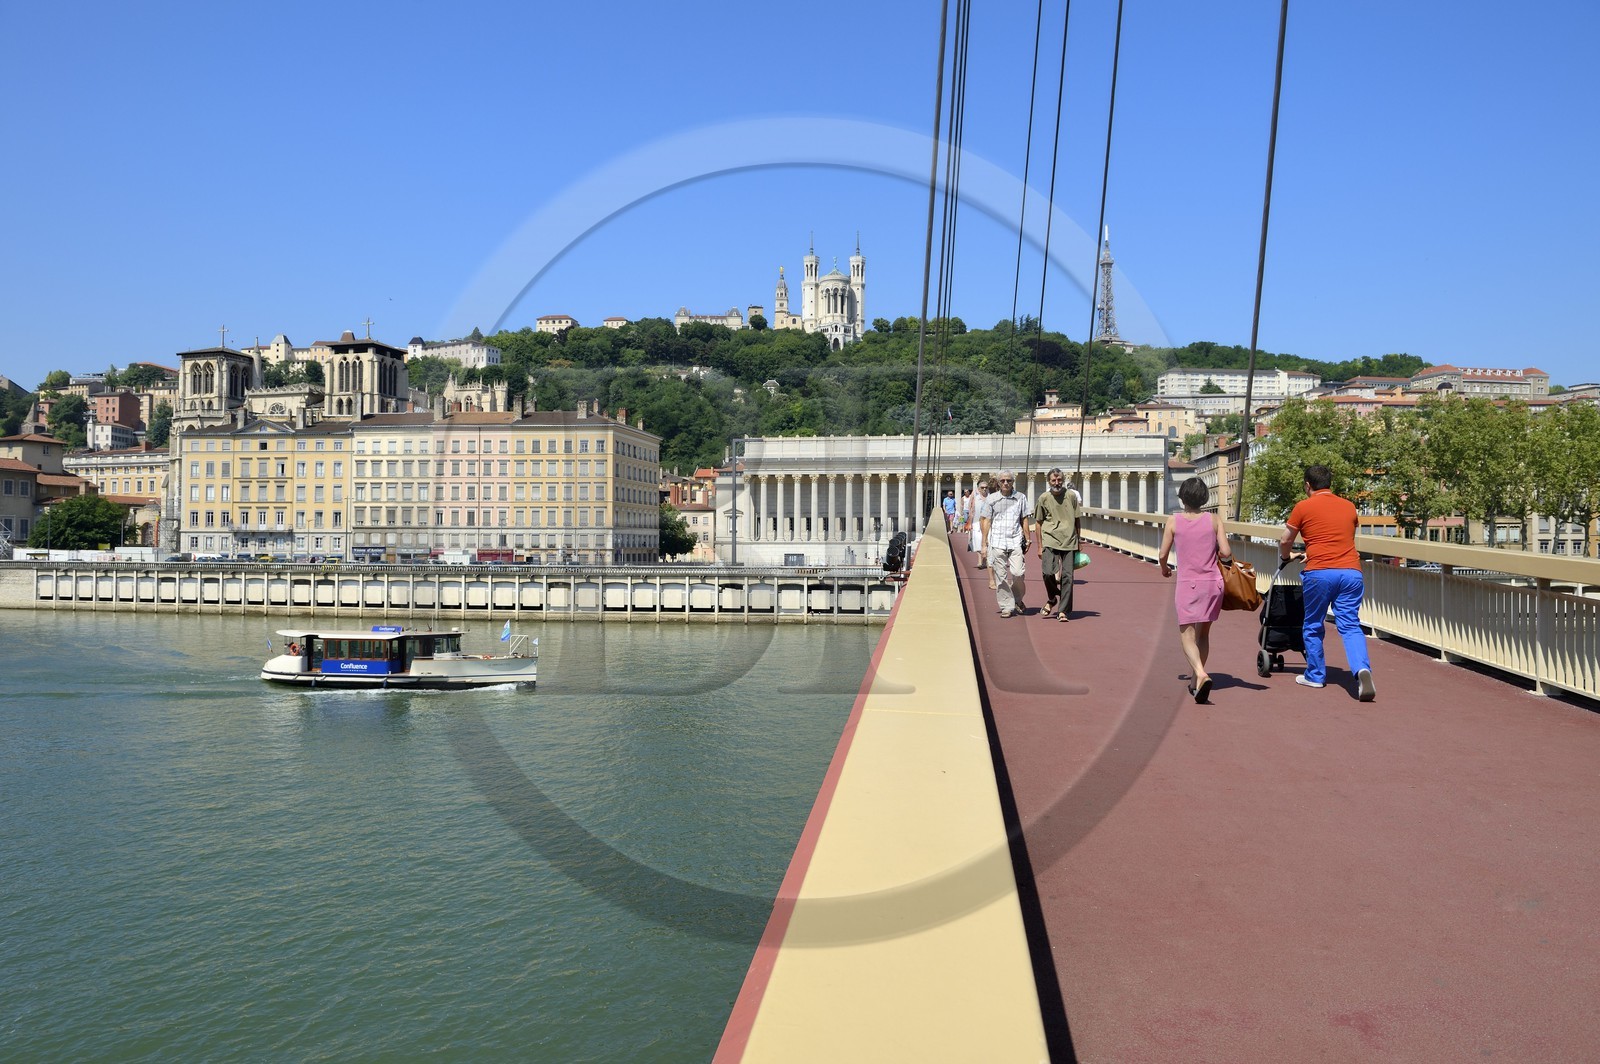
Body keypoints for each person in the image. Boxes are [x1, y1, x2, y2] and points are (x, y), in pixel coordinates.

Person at [1279, 464, 1375, 701]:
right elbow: (1342, 537)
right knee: (1350, 626)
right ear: (1330, 483)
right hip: (1351, 572)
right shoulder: (1349, 506)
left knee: (1312, 624)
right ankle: (1362, 670)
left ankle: (1315, 675)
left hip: (1320, 572)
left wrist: (1286, 556)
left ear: (1307, 485)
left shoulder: (1303, 506)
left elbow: (1285, 540)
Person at [1158, 476, 1233, 703]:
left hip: (1188, 583)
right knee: (1204, 633)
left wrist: (1164, 569)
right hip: (1213, 583)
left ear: (1183, 497)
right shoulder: (1214, 520)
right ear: (1203, 498)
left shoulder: (1174, 521)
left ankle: (1200, 673)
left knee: (1187, 634)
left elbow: (1162, 554)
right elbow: (1226, 552)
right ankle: (1194, 682)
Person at [980, 470, 1032, 617]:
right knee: (1001, 577)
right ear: (998, 482)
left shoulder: (1020, 498)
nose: (1005, 483)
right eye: (1002, 481)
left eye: (1008, 480)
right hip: (997, 541)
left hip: (1015, 540)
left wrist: (1028, 538)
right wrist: (984, 544)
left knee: (1018, 573)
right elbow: (986, 521)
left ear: (1013, 482)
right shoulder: (992, 499)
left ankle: (1017, 599)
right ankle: (1006, 606)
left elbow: (1024, 518)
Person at [1034, 467, 1082, 622]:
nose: (1057, 482)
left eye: (1059, 480)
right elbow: (1039, 523)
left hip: (1069, 540)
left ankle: (1063, 611)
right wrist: (1039, 546)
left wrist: (1079, 540)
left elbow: (1077, 519)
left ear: (1063, 480)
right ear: (1049, 481)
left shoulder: (1071, 496)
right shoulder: (1043, 498)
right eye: (1053, 480)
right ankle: (1053, 598)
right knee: (1048, 573)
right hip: (1050, 539)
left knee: (1068, 576)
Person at [970, 480, 991, 563]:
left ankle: (986, 559)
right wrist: (970, 523)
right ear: (978, 489)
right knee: (978, 541)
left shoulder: (991, 498)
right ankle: (979, 560)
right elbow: (971, 510)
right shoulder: (976, 498)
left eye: (986, 487)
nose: (984, 489)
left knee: (987, 540)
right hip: (976, 522)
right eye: (982, 488)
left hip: (988, 523)